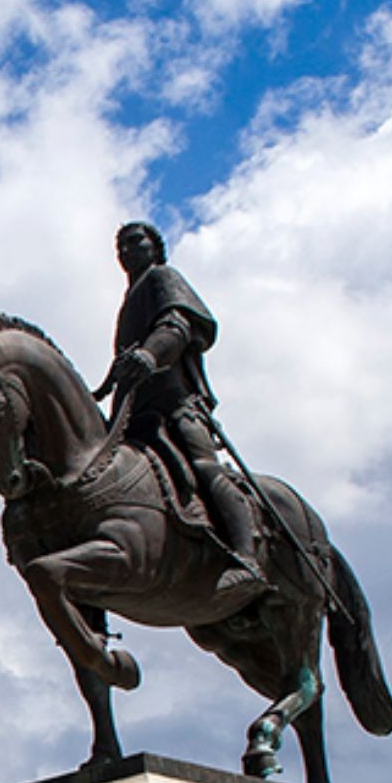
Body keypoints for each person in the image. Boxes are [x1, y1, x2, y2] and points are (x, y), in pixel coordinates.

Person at [101, 220, 262, 598]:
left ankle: (246, 558)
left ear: (155, 247)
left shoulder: (163, 278)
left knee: (205, 467)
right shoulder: (130, 301)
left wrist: (148, 353)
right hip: (136, 408)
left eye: (134, 241)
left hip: (174, 400)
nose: (125, 250)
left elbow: (177, 325)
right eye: (120, 245)